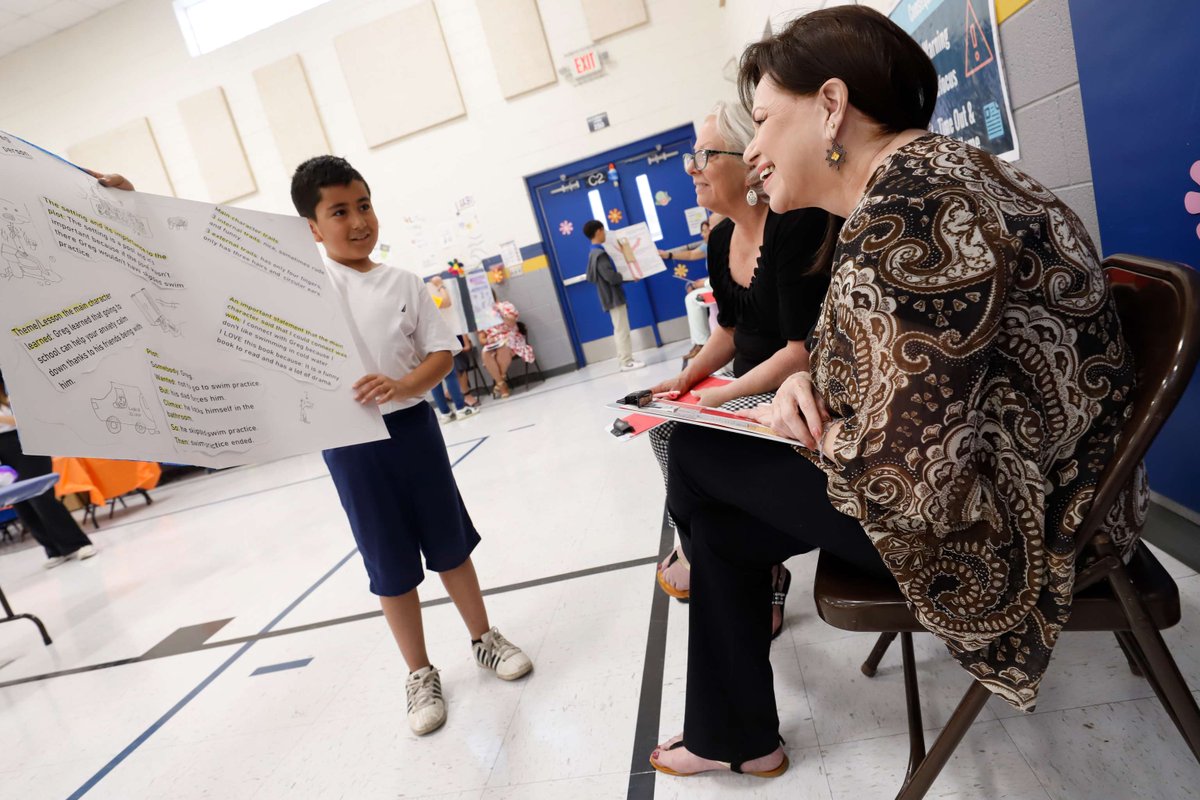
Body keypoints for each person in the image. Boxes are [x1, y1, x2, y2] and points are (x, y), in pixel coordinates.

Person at [649, 6, 1144, 779]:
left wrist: (795, 428)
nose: (752, 149)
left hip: (1017, 531)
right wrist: (805, 383)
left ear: (832, 106)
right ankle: (733, 731)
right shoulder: (933, 179)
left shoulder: (916, 209)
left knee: (694, 449)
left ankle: (735, 730)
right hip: (1035, 488)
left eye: (766, 120)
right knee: (720, 521)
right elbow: (888, 368)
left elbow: (910, 483)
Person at [288, 156, 532, 736]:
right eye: (338, 212)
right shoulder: (305, 288)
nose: (357, 221)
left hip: (413, 430)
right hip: (350, 446)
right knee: (388, 562)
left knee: (449, 543)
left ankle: (483, 638)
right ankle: (419, 673)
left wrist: (402, 386)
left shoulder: (404, 284)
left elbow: (442, 356)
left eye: (364, 205)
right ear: (312, 228)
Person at [647, 101, 832, 642]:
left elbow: (801, 351)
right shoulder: (719, 238)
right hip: (749, 387)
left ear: (748, 163)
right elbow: (727, 331)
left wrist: (725, 397)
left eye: (703, 155)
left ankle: (726, 560)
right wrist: (687, 380)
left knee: (694, 446)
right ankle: (726, 559)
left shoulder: (793, 224)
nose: (691, 168)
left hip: (794, 392)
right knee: (664, 428)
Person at [0, 371, 96, 569]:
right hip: (5, 454)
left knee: (41, 498)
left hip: (25, 445)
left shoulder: (12, 395)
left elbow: (27, 419)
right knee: (21, 504)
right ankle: (53, 549)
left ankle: (78, 544)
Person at [583, 221, 645, 371]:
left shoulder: (593, 253)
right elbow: (610, 276)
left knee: (620, 328)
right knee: (622, 330)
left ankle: (625, 359)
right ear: (598, 231)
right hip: (613, 297)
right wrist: (627, 276)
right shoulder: (600, 254)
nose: (605, 234)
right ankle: (626, 361)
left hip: (609, 296)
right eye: (603, 230)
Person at [426, 276, 479, 422]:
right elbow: (447, 302)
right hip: (437, 340)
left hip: (424, 343)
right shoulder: (426, 298)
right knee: (450, 374)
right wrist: (440, 285)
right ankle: (461, 409)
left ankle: (445, 414)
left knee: (433, 379)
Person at [659, 220, 712, 361]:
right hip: (713, 284)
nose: (702, 234)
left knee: (692, 299)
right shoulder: (708, 246)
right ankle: (700, 343)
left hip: (719, 286)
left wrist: (704, 283)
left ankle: (702, 344)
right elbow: (690, 255)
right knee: (692, 296)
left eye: (705, 230)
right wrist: (668, 255)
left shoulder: (724, 244)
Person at [478, 295, 535, 400]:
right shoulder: (480, 315)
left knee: (503, 347)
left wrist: (499, 313)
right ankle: (501, 382)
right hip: (493, 342)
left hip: (511, 337)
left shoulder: (505, 306)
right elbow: (481, 338)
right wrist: (487, 340)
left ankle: (501, 384)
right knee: (485, 353)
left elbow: (512, 322)